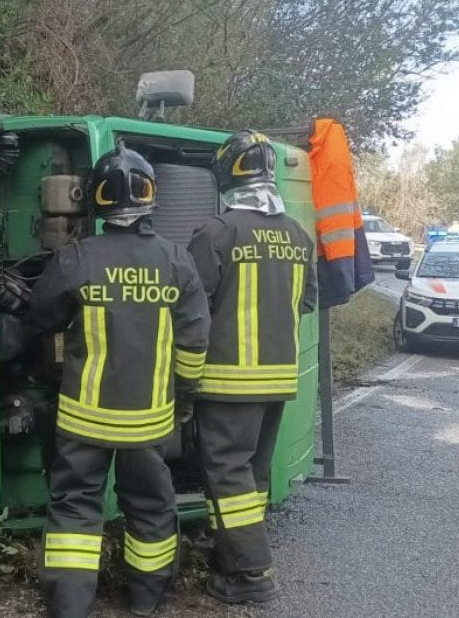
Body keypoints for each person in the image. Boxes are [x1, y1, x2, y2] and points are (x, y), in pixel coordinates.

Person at [28, 146, 210, 618]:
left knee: (74, 511)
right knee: (150, 507)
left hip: (83, 419)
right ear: (151, 198)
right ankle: (145, 602)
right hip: (149, 422)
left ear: (97, 201)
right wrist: (183, 402)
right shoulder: (176, 262)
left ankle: (70, 607)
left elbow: (41, 315)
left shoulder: (76, 259)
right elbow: (193, 347)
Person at [186, 130, 317, 604]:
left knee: (227, 475)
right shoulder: (297, 235)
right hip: (278, 379)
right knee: (252, 476)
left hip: (226, 380)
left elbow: (189, 305)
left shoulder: (217, 232)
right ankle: (230, 555)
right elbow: (305, 303)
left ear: (226, 172)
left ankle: (252, 574)